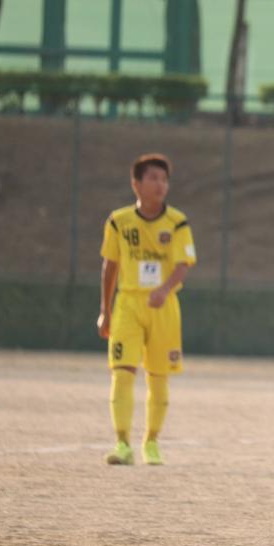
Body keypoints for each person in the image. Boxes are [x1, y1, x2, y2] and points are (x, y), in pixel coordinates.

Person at [97, 154, 196, 466]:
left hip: (163, 307)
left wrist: (164, 290)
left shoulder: (177, 222)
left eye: (164, 179)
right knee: (122, 372)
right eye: (153, 178)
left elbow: (184, 264)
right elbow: (110, 266)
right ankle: (122, 444)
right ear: (136, 184)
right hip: (128, 303)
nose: (160, 185)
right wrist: (105, 310)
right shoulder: (119, 221)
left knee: (158, 377)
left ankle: (151, 442)